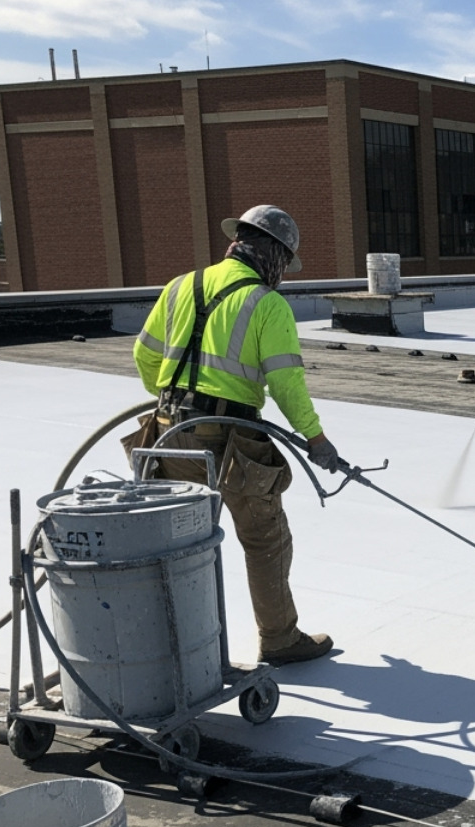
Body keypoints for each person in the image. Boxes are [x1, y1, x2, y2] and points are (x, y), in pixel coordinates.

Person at [129, 205, 340, 666]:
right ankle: (280, 639)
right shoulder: (267, 304)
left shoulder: (180, 286)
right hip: (230, 443)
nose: (283, 273)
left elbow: (144, 357)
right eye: (284, 262)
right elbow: (286, 383)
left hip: (167, 434)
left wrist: (177, 400)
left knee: (173, 543)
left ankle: (170, 647)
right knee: (266, 538)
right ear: (273, 253)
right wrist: (316, 439)